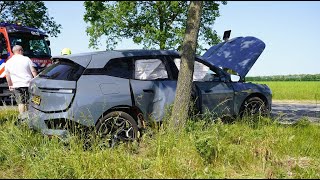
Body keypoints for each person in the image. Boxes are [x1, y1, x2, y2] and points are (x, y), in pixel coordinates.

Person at [4, 45, 38, 118]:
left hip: (17, 85)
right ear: (20, 51)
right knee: (29, 102)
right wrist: (37, 80)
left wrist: (10, 85)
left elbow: (7, 75)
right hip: (28, 84)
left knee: (21, 103)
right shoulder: (26, 59)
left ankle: (22, 118)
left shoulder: (8, 62)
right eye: (22, 50)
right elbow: (33, 71)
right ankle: (30, 118)